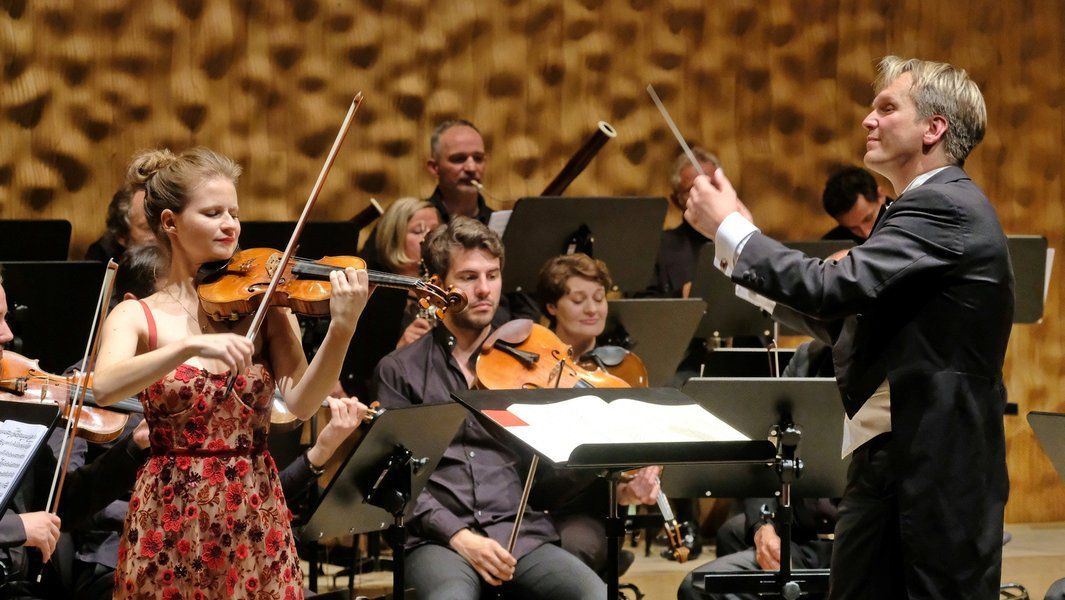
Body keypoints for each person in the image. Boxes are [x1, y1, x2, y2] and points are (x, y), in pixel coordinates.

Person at [685, 56, 1013, 599]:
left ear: (933, 128)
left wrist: (735, 232)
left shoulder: (944, 204)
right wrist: (738, 240)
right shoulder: (919, 208)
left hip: (938, 466)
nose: (868, 119)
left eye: (887, 107)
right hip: (889, 456)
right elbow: (845, 318)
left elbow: (831, 288)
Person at [91, 147, 370, 599]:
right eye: (213, 213)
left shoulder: (265, 306)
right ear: (170, 222)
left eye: (234, 213)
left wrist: (343, 328)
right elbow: (104, 387)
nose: (231, 225)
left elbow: (302, 402)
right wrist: (187, 346)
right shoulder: (137, 316)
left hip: (253, 504)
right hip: (170, 509)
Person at [373, 217, 605, 599]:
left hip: (518, 531)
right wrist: (458, 536)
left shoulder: (527, 365)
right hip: (437, 540)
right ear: (438, 285)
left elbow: (546, 484)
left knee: (593, 595)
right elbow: (397, 478)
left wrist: (593, 452)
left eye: (492, 275)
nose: (484, 289)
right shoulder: (400, 370)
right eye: (468, 277)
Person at [532, 253, 660, 576]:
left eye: (599, 298)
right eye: (578, 300)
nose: (593, 309)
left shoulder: (622, 371)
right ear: (551, 306)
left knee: (565, 554)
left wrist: (632, 488)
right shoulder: (528, 365)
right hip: (525, 503)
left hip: (588, 512)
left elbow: (624, 470)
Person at [371, 197, 441, 349]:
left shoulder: (445, 289)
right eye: (418, 231)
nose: (430, 239)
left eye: (435, 231)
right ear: (393, 240)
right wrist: (400, 349)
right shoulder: (373, 299)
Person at [85, 185, 155, 263]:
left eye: (162, 223)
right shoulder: (100, 259)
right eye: (148, 228)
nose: (162, 233)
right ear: (122, 235)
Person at [820, 166, 889, 243]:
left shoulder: (901, 221)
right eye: (853, 228)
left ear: (880, 195)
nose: (867, 234)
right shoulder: (833, 244)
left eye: (868, 218)